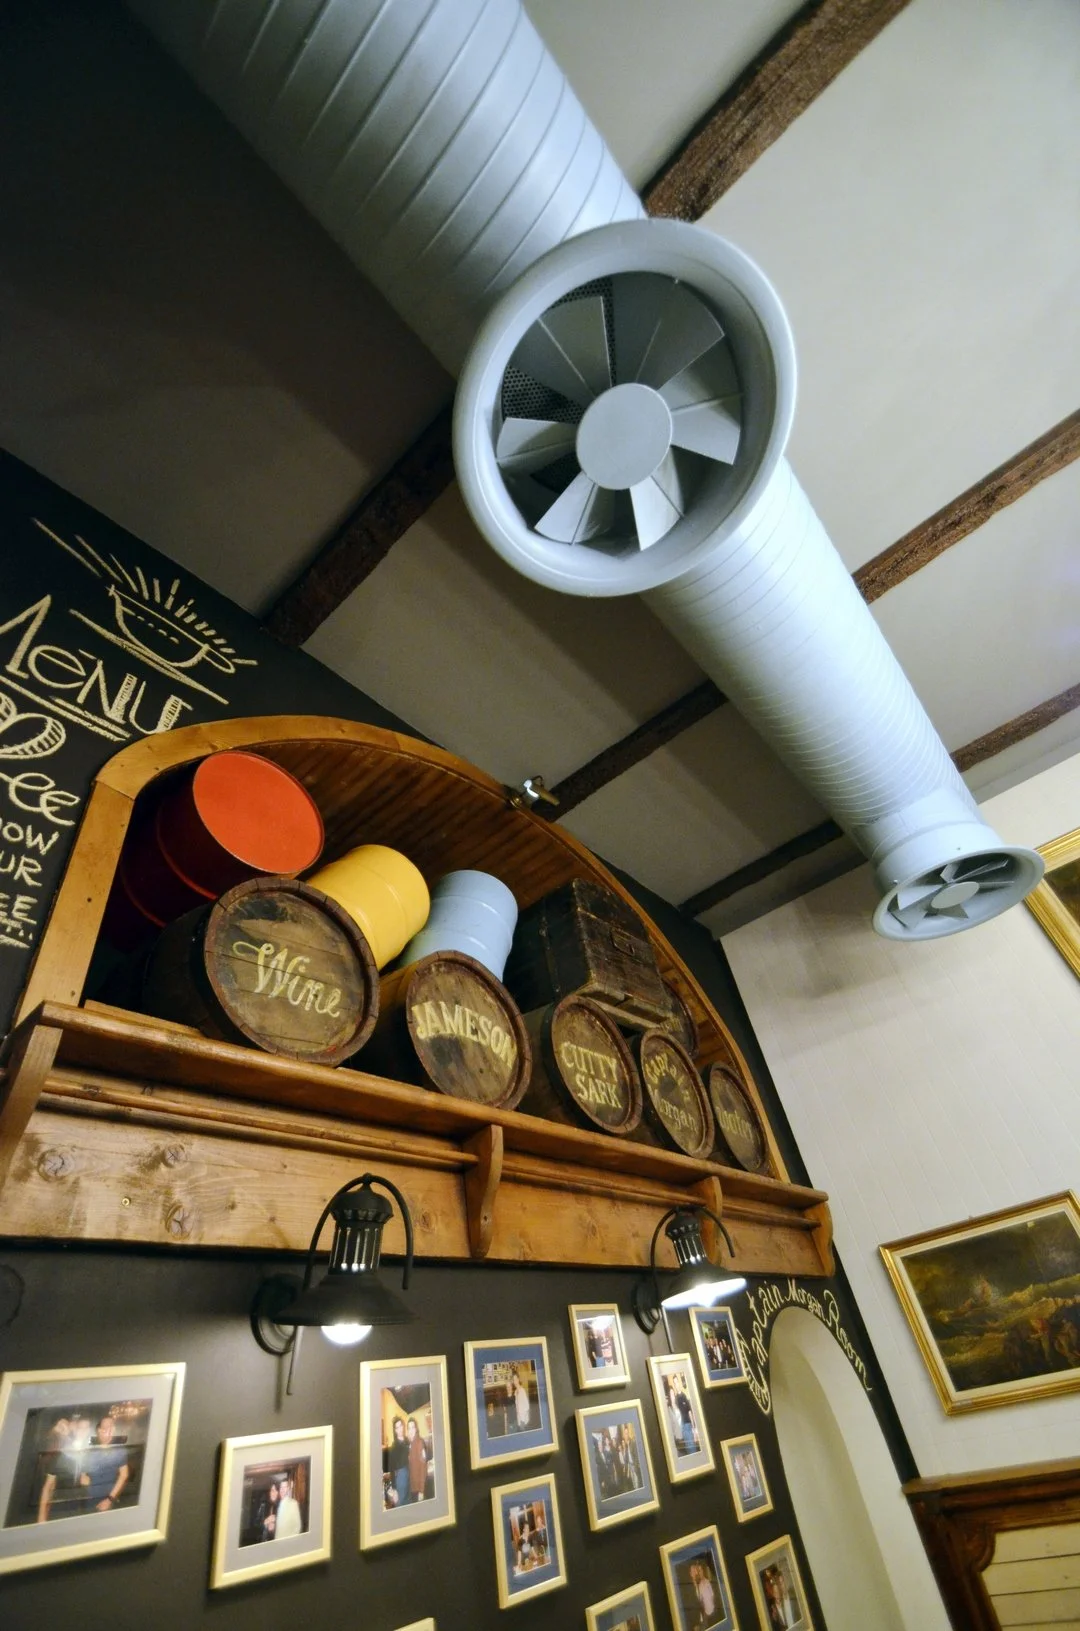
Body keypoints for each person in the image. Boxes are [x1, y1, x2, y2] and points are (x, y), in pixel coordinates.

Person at [78, 1414, 131, 1515]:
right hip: (90, 1500)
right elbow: (82, 1477)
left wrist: (110, 1499)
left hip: (110, 1498)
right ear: (98, 1430)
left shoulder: (119, 1450)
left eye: (111, 1427)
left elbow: (124, 1475)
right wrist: (83, 1478)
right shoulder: (88, 1450)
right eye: (104, 1428)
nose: (108, 1431)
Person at [387, 1416, 410, 1508]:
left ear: (403, 1426)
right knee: (401, 1505)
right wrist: (394, 1490)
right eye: (397, 1427)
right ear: (395, 1430)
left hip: (410, 1477)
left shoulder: (408, 1441)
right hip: (401, 1478)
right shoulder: (394, 1447)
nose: (400, 1429)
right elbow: (392, 1469)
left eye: (401, 1426)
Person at [274, 1471, 303, 1539]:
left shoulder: (293, 1503)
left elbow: (297, 1527)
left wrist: (289, 1542)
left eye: (285, 1487)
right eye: (281, 1487)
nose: (282, 1490)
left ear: (288, 1488)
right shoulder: (278, 1503)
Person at [406, 1417, 428, 1501]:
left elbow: (423, 1467)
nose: (411, 1430)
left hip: (419, 1490)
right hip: (413, 1488)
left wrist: (421, 1491)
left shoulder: (419, 1442)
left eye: (413, 1427)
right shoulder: (410, 1444)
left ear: (416, 1429)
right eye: (409, 1428)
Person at [510, 1367, 531, 1432]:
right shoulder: (515, 1392)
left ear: (518, 1379)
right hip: (519, 1419)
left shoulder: (522, 1391)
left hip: (523, 1421)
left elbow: (527, 1407)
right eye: (513, 1380)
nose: (515, 1381)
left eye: (516, 1379)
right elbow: (517, 1406)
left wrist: (522, 1421)